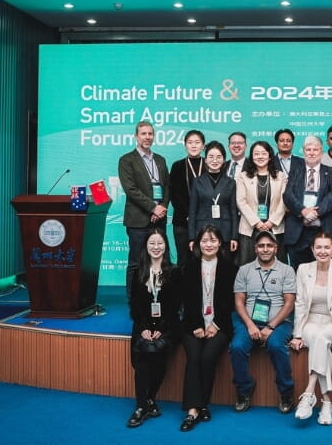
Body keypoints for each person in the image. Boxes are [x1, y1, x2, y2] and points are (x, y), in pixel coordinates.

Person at [230, 230, 297, 413]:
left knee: (276, 345)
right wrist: (250, 325)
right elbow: (238, 302)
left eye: (269, 245)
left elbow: (289, 303)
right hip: (248, 322)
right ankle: (244, 389)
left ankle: (286, 392)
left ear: (276, 248)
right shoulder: (244, 270)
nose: (265, 249)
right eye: (261, 246)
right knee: (237, 347)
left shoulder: (287, 270)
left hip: (279, 323)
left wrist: (270, 326)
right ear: (255, 249)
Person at [290, 232, 332, 425]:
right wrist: (297, 334)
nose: (323, 251)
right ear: (312, 249)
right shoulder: (303, 269)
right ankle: (326, 403)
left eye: (327, 247)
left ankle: (309, 393)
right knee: (318, 338)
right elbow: (300, 304)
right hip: (310, 322)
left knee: (321, 337)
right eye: (319, 247)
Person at [179, 225, 236, 432]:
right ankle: (194, 410)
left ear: (220, 243)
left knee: (207, 358)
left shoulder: (230, 268)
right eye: (204, 241)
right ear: (197, 244)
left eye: (212, 240)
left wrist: (215, 324)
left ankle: (201, 404)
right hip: (193, 325)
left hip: (220, 325)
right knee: (193, 358)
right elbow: (184, 299)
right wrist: (197, 325)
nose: (208, 244)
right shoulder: (188, 267)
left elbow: (231, 301)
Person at [126, 229, 180, 428]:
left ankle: (148, 400)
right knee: (142, 359)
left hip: (167, 326)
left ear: (166, 246)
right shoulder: (138, 272)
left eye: (160, 243)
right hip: (143, 325)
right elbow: (134, 305)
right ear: (145, 247)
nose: (156, 248)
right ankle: (143, 405)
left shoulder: (174, 272)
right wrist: (143, 328)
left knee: (158, 357)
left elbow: (175, 306)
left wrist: (161, 328)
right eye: (152, 244)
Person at [118, 121, 171, 300]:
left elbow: (167, 188)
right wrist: (153, 207)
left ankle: (161, 298)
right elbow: (131, 190)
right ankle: (134, 300)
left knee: (162, 261)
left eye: (150, 134)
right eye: (143, 134)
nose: (147, 137)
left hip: (160, 219)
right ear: (136, 136)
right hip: (138, 220)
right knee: (136, 262)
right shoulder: (127, 160)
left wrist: (162, 207)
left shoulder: (161, 160)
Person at [283, 135, 332, 270]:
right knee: (298, 272)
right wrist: (303, 211)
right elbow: (288, 195)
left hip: (323, 230)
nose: (311, 153)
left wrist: (316, 212)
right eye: (308, 149)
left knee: (324, 271)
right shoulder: (295, 171)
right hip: (299, 231)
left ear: (321, 152)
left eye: (315, 150)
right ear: (303, 151)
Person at [235, 141, 287, 265]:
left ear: (270, 156)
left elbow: (284, 201)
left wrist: (271, 222)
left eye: (263, 153)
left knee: (276, 265)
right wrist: (256, 222)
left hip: (274, 227)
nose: (260, 156)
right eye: (256, 154)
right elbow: (240, 201)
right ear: (252, 157)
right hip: (249, 228)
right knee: (248, 266)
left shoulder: (280, 176)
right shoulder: (243, 176)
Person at [187, 141, 239, 263]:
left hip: (225, 232)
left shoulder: (230, 182)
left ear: (224, 160)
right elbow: (192, 211)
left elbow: (233, 211)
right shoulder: (197, 181)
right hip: (202, 232)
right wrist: (192, 237)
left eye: (219, 157)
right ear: (205, 160)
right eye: (211, 157)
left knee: (225, 268)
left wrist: (234, 237)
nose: (215, 160)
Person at [169, 130, 205, 267]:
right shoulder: (177, 166)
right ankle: (183, 289)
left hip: (205, 221)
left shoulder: (209, 164)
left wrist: (199, 216)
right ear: (185, 145)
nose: (193, 146)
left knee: (203, 260)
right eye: (190, 143)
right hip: (182, 221)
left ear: (203, 146)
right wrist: (189, 214)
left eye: (197, 142)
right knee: (183, 260)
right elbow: (174, 194)